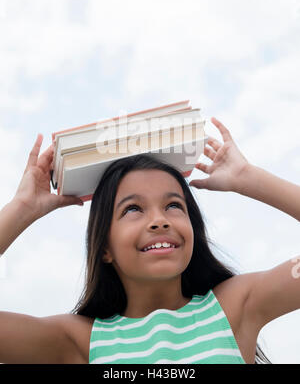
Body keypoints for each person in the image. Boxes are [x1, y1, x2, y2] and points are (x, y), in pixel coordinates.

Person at [0, 117, 299, 364]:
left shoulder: (234, 307)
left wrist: (249, 177)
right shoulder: (80, 341)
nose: (160, 220)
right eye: (133, 209)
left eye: (173, 205)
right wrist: (22, 208)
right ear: (104, 248)